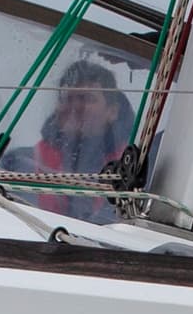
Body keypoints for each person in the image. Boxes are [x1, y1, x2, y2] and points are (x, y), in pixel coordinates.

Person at [11, 56, 136, 222]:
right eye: (67, 98)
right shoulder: (18, 163)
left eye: (86, 99)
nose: (75, 106)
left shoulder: (135, 177)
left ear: (112, 111)